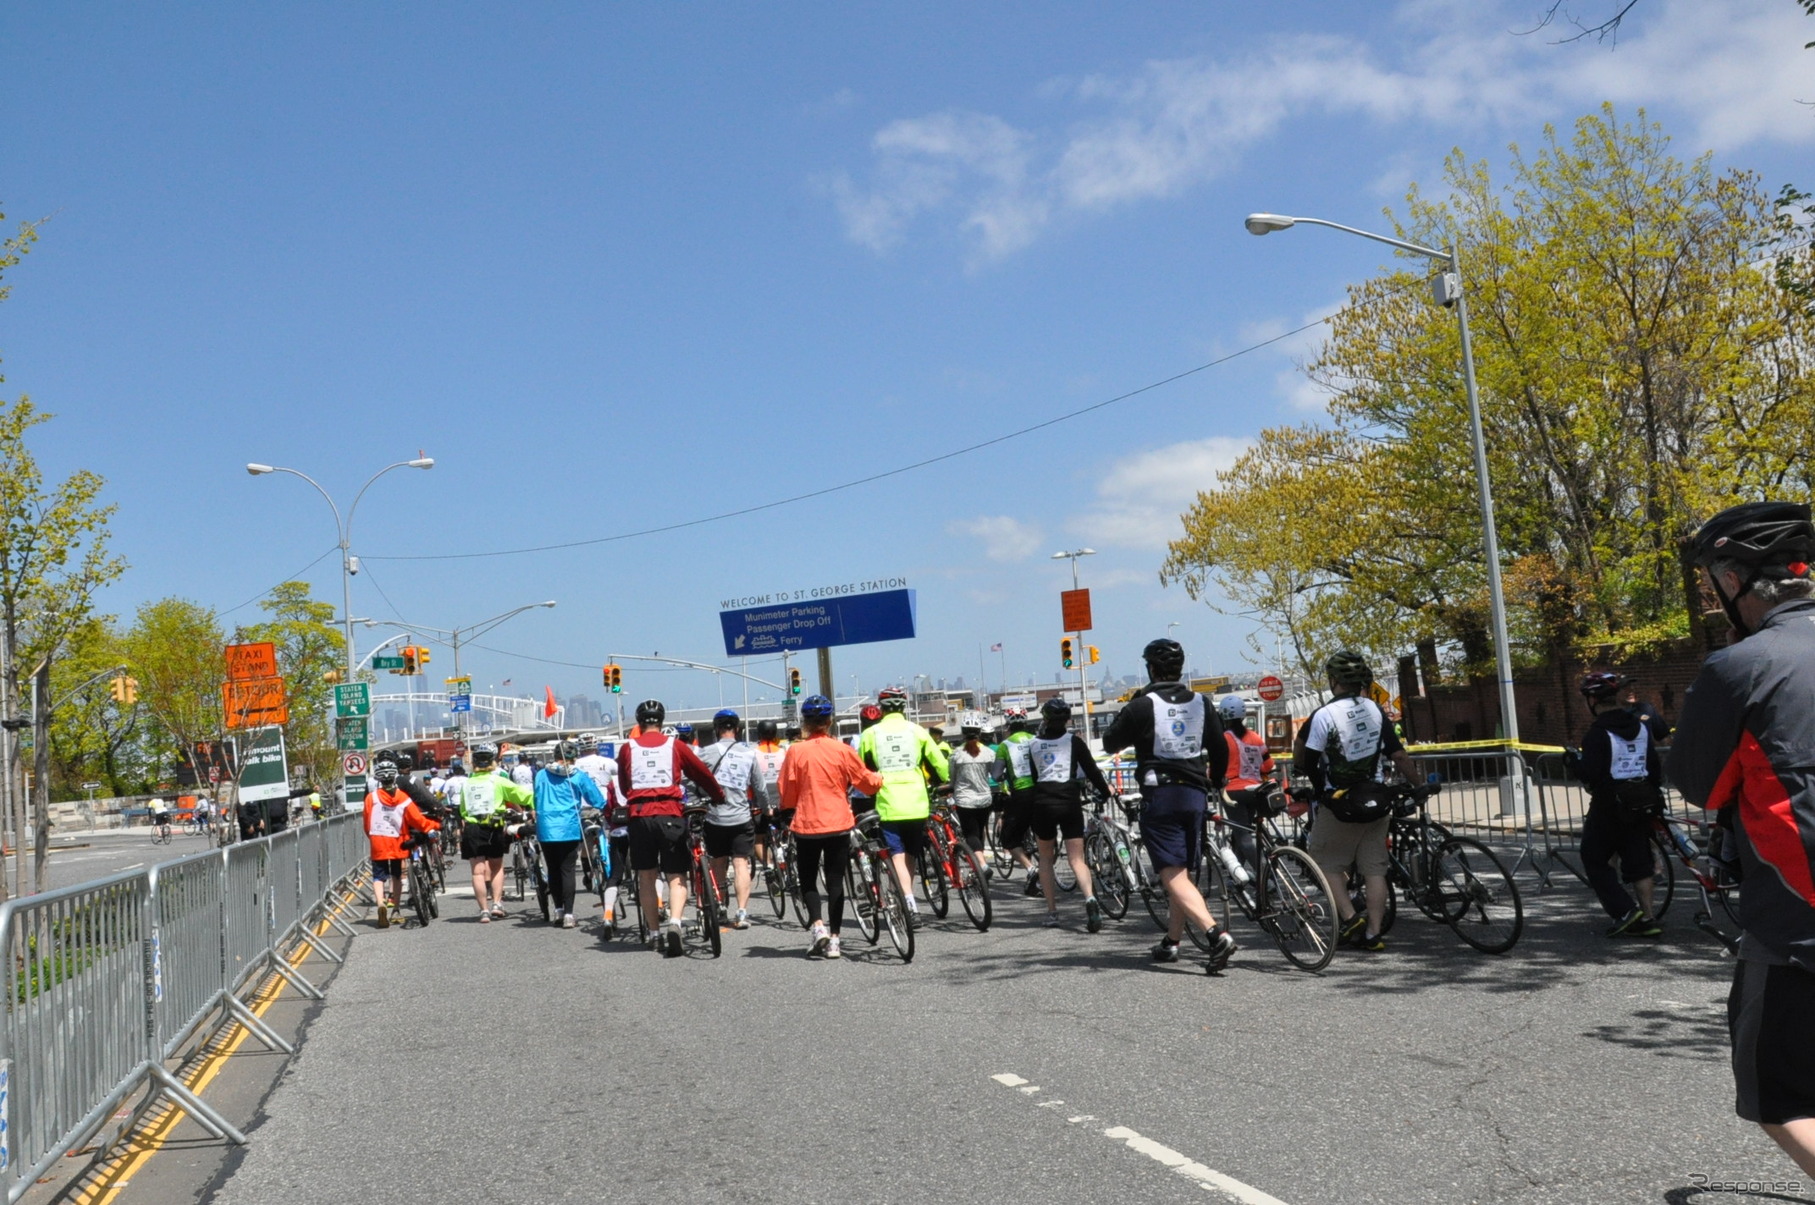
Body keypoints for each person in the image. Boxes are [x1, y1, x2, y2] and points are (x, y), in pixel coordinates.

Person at [1667, 501, 1815, 1177]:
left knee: (1776, 1095)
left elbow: (1701, 785)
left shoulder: (1739, 668)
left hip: (1796, 926)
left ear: (1734, 579)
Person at [1102, 638, 1238, 973]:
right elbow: (1220, 748)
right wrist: (1217, 779)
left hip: (1160, 794)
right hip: (1194, 793)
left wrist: (1132, 712)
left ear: (1150, 668)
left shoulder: (1142, 705)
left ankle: (1215, 934)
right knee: (1183, 872)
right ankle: (1172, 941)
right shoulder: (1201, 703)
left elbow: (1109, 743)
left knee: (1170, 872)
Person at [1296, 650, 1419, 954]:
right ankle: (1374, 934)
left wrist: (1317, 787)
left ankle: (1351, 919)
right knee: (1375, 869)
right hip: (1377, 799)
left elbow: (1307, 761)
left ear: (1333, 680)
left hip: (1341, 802)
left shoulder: (1324, 715)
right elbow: (1399, 755)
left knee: (1324, 861)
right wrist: (1418, 785)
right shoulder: (1376, 710)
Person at [617, 699, 726, 956]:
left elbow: (624, 785)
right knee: (677, 875)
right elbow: (701, 773)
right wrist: (718, 795)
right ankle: (675, 923)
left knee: (646, 876)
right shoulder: (674, 744)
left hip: (640, 815)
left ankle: (654, 934)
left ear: (640, 723)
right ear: (662, 721)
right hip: (670, 813)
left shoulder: (627, 747)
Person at [778, 694, 883, 959]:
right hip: (838, 822)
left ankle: (818, 927)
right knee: (836, 882)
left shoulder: (796, 751)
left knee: (808, 879)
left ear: (805, 722)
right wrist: (880, 779)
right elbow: (865, 782)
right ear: (829, 721)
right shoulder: (842, 750)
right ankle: (835, 940)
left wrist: (788, 808)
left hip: (807, 824)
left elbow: (787, 792)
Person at [1574, 671, 1664, 938]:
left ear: (1593, 700)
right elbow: (1653, 766)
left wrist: (1573, 764)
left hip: (1609, 805)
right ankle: (1648, 918)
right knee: (1640, 864)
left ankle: (1624, 910)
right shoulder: (1639, 725)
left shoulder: (1597, 734)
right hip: (1641, 801)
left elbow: (1590, 773)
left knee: (1593, 857)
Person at [857, 686, 950, 924]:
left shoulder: (871, 734)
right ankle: (906, 896)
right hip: (917, 802)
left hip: (889, 802)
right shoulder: (917, 731)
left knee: (896, 856)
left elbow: (861, 771)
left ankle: (909, 904)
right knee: (910, 855)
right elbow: (939, 764)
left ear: (881, 708)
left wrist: (870, 791)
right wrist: (941, 781)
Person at [1024, 697, 1110, 931]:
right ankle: (1090, 899)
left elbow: (1033, 776)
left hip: (1043, 802)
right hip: (1069, 800)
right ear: (1067, 720)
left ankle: (1052, 912)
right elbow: (1091, 770)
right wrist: (1106, 792)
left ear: (1045, 719)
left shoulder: (1032, 744)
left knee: (1045, 858)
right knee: (1076, 859)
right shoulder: (1074, 741)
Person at [534, 740, 607, 928]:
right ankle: (568, 914)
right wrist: (605, 808)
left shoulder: (541, 775)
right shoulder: (577, 775)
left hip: (546, 827)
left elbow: (536, 797)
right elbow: (595, 798)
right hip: (568, 826)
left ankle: (557, 909)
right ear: (573, 758)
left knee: (553, 869)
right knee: (567, 870)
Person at [698, 709, 761, 929]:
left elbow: (691, 779)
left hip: (715, 817)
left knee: (718, 862)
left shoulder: (705, 753)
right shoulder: (749, 752)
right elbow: (759, 787)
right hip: (741, 816)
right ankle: (742, 912)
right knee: (741, 862)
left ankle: (719, 904)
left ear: (716, 729)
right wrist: (765, 808)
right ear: (737, 729)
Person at [457, 743, 534, 921]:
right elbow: (524, 795)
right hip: (494, 826)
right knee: (496, 867)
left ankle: (483, 910)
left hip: (472, 828)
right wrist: (533, 807)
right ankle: (497, 904)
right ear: (492, 762)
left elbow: (462, 809)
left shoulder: (467, 783)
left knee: (477, 871)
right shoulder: (498, 780)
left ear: (473, 764)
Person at [362, 757, 439, 929]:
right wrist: (430, 827)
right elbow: (416, 819)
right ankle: (396, 909)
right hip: (398, 841)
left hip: (378, 840)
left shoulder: (371, 798)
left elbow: (366, 823)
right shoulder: (403, 797)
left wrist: (372, 836)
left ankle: (381, 904)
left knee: (378, 876)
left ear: (379, 779)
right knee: (397, 875)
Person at [1218, 694, 1275, 880]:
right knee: (1243, 833)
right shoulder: (1255, 737)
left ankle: (1266, 877)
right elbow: (1268, 766)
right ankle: (1236, 878)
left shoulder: (1224, 738)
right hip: (1255, 790)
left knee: (1244, 838)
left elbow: (1215, 769)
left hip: (1233, 791)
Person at [994, 706, 1041, 891]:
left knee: (1009, 839)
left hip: (1021, 794)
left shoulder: (1005, 746)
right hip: (1041, 792)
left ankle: (1030, 868)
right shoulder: (1036, 740)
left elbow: (996, 774)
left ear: (1008, 725)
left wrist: (1007, 775)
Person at [947, 714, 1000, 867]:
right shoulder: (989, 753)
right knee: (979, 830)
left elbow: (952, 778)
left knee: (970, 834)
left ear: (963, 733)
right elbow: (995, 774)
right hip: (985, 798)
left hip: (964, 800)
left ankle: (982, 865)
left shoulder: (956, 754)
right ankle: (979, 862)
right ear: (979, 733)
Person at [749, 719, 788, 872]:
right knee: (787, 832)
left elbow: (750, 782)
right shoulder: (783, 752)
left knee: (758, 839)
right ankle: (786, 854)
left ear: (759, 733)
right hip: (781, 801)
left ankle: (769, 866)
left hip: (761, 802)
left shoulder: (753, 753)